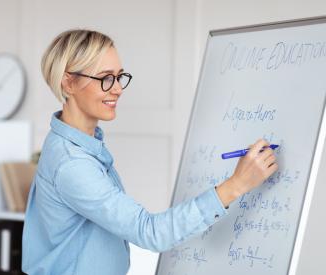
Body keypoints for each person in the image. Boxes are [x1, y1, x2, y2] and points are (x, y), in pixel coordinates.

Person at [21, 29, 278, 275]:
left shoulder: (78, 143)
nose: (118, 88)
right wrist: (237, 185)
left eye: (119, 76)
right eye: (105, 78)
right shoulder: (72, 164)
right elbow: (150, 231)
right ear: (69, 83)